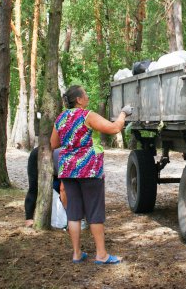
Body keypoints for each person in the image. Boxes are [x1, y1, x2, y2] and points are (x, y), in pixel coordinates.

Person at [50, 85, 132, 265]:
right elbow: (114, 128)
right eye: (85, 94)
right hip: (89, 169)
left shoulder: (61, 118)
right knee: (94, 212)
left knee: (73, 212)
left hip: (68, 170)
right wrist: (123, 114)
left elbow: (54, 143)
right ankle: (101, 255)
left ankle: (77, 254)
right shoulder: (87, 115)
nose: (87, 96)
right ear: (79, 99)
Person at [24, 147, 66, 227]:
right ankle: (29, 218)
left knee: (58, 189)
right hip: (40, 156)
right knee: (34, 187)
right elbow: (63, 189)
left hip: (57, 167)